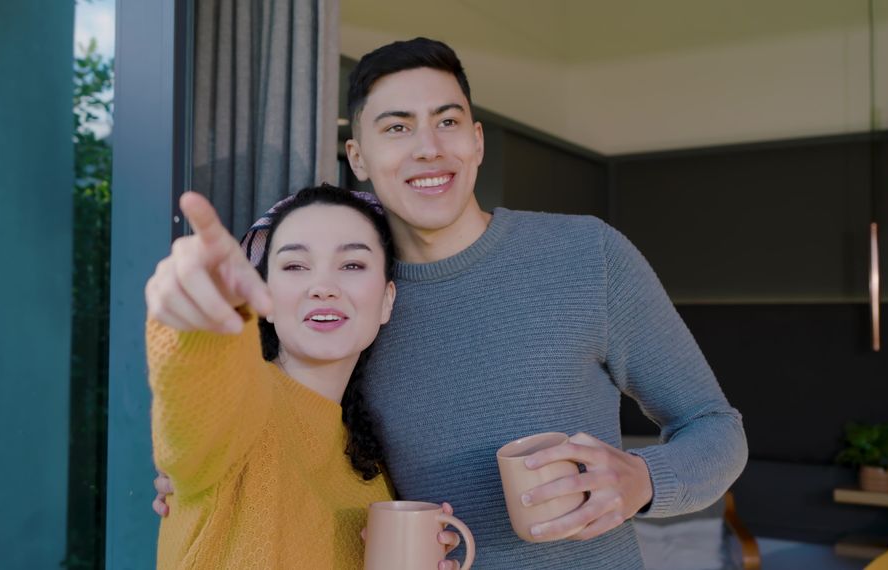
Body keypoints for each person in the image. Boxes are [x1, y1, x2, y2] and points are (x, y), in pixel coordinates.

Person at [150, 38, 747, 569]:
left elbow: (715, 428)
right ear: (358, 158)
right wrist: (207, 473)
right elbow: (242, 412)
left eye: (447, 121)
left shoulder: (588, 254)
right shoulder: (354, 309)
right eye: (396, 127)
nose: (428, 148)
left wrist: (644, 479)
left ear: (476, 140)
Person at [145, 185, 460, 569]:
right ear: (266, 297)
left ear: (387, 300)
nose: (323, 288)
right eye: (295, 266)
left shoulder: (371, 476)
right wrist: (194, 317)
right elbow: (198, 393)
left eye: (352, 265)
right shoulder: (244, 406)